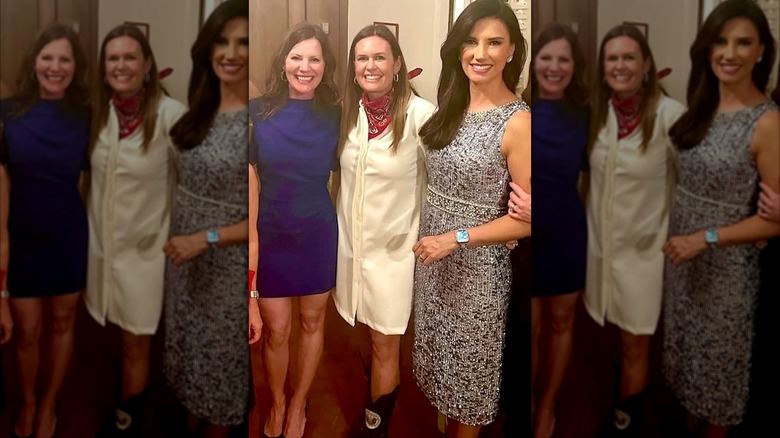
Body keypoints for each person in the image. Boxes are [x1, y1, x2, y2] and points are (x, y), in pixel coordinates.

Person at [412, 0, 531, 436]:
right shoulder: (451, 102)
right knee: (438, 366)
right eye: (471, 41)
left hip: (476, 271)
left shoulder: (518, 123)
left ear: (512, 51)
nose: (480, 53)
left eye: (494, 42)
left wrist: (455, 238)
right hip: (431, 262)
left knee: (469, 382)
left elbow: (527, 220)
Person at [662, 1, 779, 436]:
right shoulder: (702, 105)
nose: (730, 52)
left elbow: (774, 221)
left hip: (728, 269)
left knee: (719, 378)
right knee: (688, 363)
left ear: (762, 51)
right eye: (722, 41)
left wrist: (705, 238)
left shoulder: (767, 122)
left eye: (744, 42)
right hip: (683, 259)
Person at [332, 24, 436, 437]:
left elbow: (448, 178)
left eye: (379, 57)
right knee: (357, 328)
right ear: (353, 66)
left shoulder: (421, 116)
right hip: (351, 249)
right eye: (362, 58)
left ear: (396, 64)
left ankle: (377, 422)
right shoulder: (346, 113)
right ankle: (373, 395)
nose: (370, 65)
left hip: (395, 253)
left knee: (385, 342)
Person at [584, 23, 685, 437]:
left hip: (646, 252)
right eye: (612, 58)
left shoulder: (671, 116)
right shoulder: (597, 114)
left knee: (635, 341)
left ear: (646, 65)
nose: (620, 65)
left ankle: (627, 418)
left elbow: (694, 183)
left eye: (628, 57)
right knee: (609, 333)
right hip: (602, 248)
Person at [86, 23, 186, 436]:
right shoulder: (97, 114)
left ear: (147, 65)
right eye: (113, 58)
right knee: (108, 331)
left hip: (146, 254)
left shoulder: (171, 116)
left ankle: (128, 418)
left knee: (136, 341)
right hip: (102, 249)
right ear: (104, 67)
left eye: (130, 57)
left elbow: (191, 188)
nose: (121, 65)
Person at [162, 1, 250, 436]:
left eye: (243, 42)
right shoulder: (197, 107)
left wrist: (207, 238)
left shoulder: (256, 121)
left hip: (226, 266)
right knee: (186, 354)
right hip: (183, 260)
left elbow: (261, 215)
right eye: (221, 41)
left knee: (221, 369)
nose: (230, 52)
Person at [250, 22, 340, 438]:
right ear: (283, 61)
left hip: (318, 233)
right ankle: (278, 402)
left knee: (311, 323)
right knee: (277, 331)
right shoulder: (257, 113)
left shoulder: (335, 114)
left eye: (314, 58)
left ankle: (299, 404)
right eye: (297, 57)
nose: (305, 67)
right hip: (272, 234)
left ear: (325, 66)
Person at [0, 24, 90, 438]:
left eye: (64, 59)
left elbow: (93, 180)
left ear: (75, 67)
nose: (55, 66)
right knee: (27, 331)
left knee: (61, 324)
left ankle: (49, 404)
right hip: (22, 239)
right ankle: (29, 402)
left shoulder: (85, 116)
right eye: (47, 57)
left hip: (68, 236)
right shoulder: (8, 114)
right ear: (34, 62)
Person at [526, 23, 589, 438]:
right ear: (534, 63)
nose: (553, 66)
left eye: (563, 59)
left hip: (567, 230)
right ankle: (528, 401)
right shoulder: (519, 110)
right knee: (530, 326)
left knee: (562, 323)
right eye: (546, 57)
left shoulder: (586, 113)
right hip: (527, 234)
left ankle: (547, 406)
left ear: (573, 66)